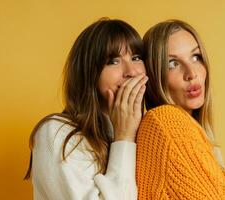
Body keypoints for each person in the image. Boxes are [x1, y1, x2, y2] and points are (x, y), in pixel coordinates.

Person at [24, 18, 148, 200]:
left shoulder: (148, 133)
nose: (131, 71)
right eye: (113, 61)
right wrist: (124, 138)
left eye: (136, 58)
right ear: (89, 73)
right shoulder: (56, 133)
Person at [136, 20, 225, 199]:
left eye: (196, 57)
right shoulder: (165, 121)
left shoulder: (190, 133)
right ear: (155, 76)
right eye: (172, 63)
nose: (191, 73)